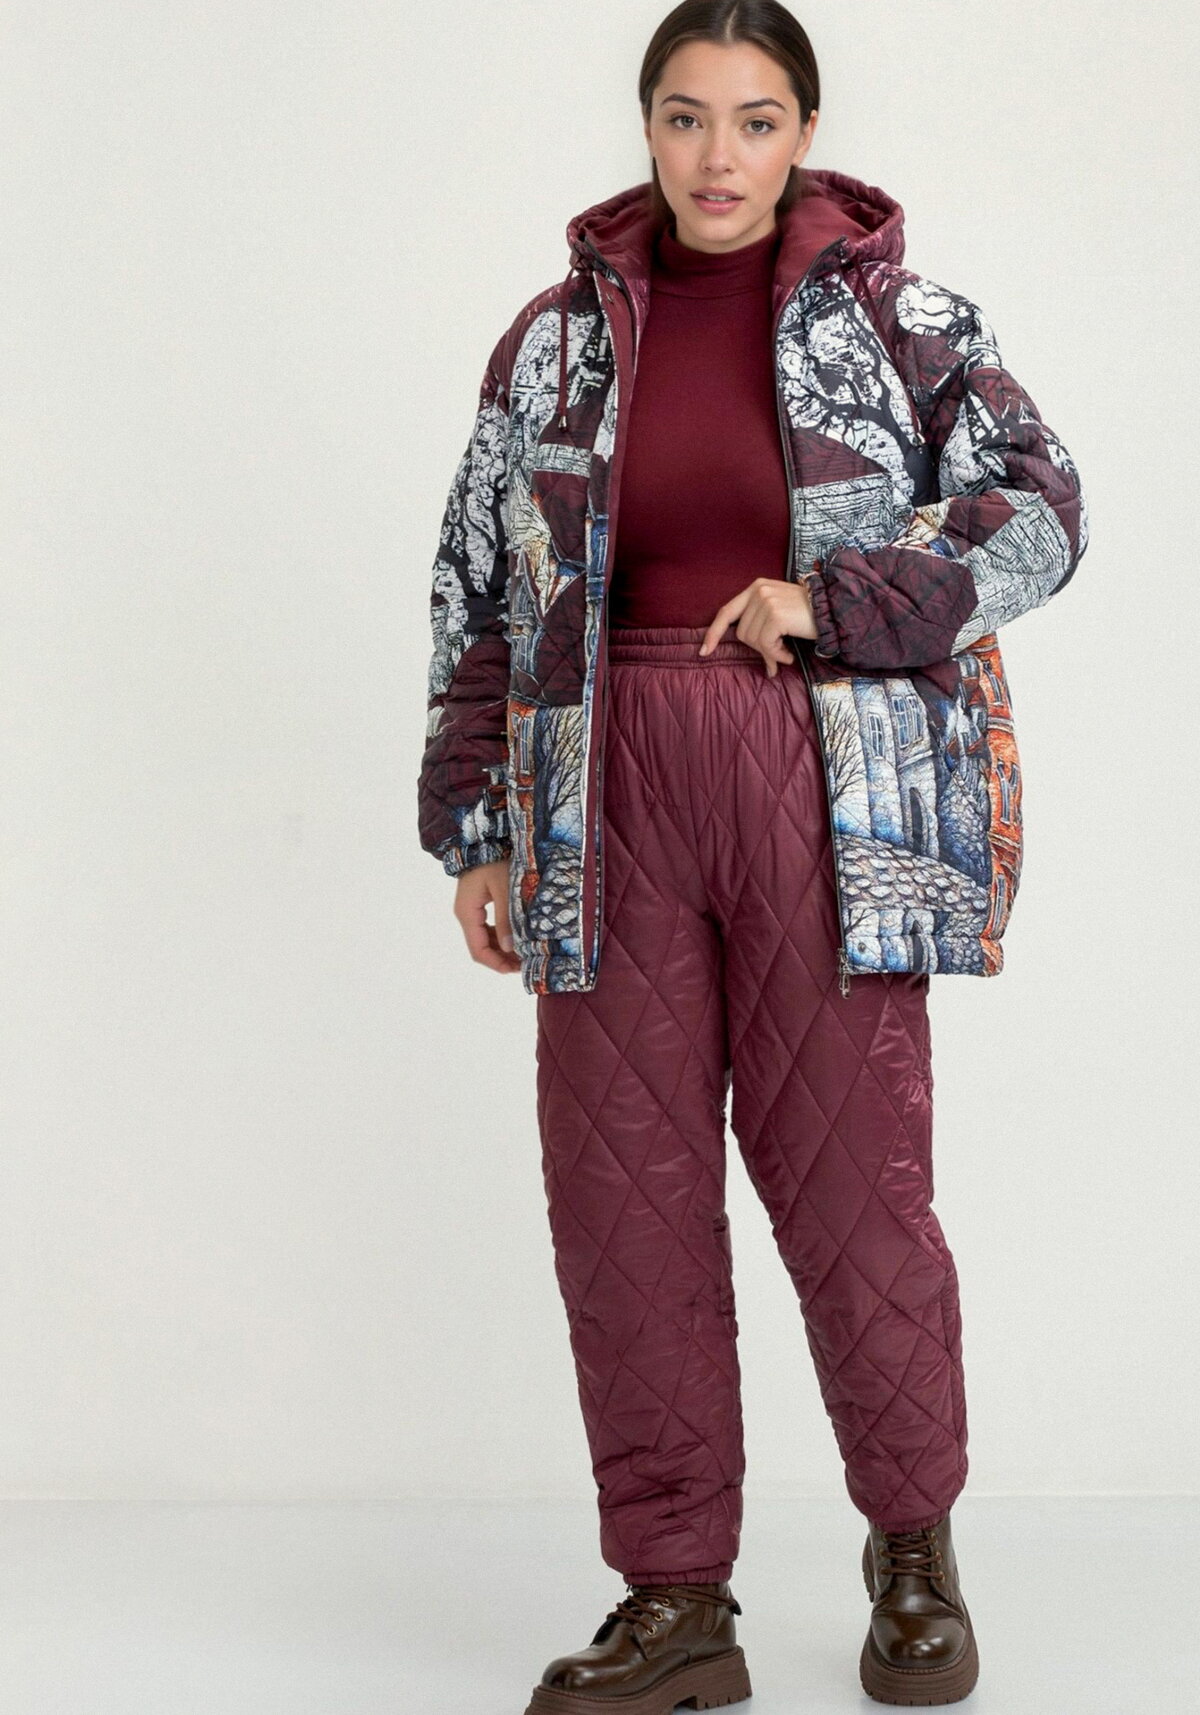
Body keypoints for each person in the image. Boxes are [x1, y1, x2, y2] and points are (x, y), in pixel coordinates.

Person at [417, 3, 1087, 1708]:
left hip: (823, 785)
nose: (719, 156)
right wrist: (478, 828)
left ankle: (914, 1555)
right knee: (622, 1200)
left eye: (758, 119)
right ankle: (675, 1601)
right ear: (647, 125)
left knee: (858, 1188)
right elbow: (481, 589)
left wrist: (842, 600)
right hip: (601, 793)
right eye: (687, 116)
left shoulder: (906, 325)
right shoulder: (553, 345)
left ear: (805, 133)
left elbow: (1044, 509)